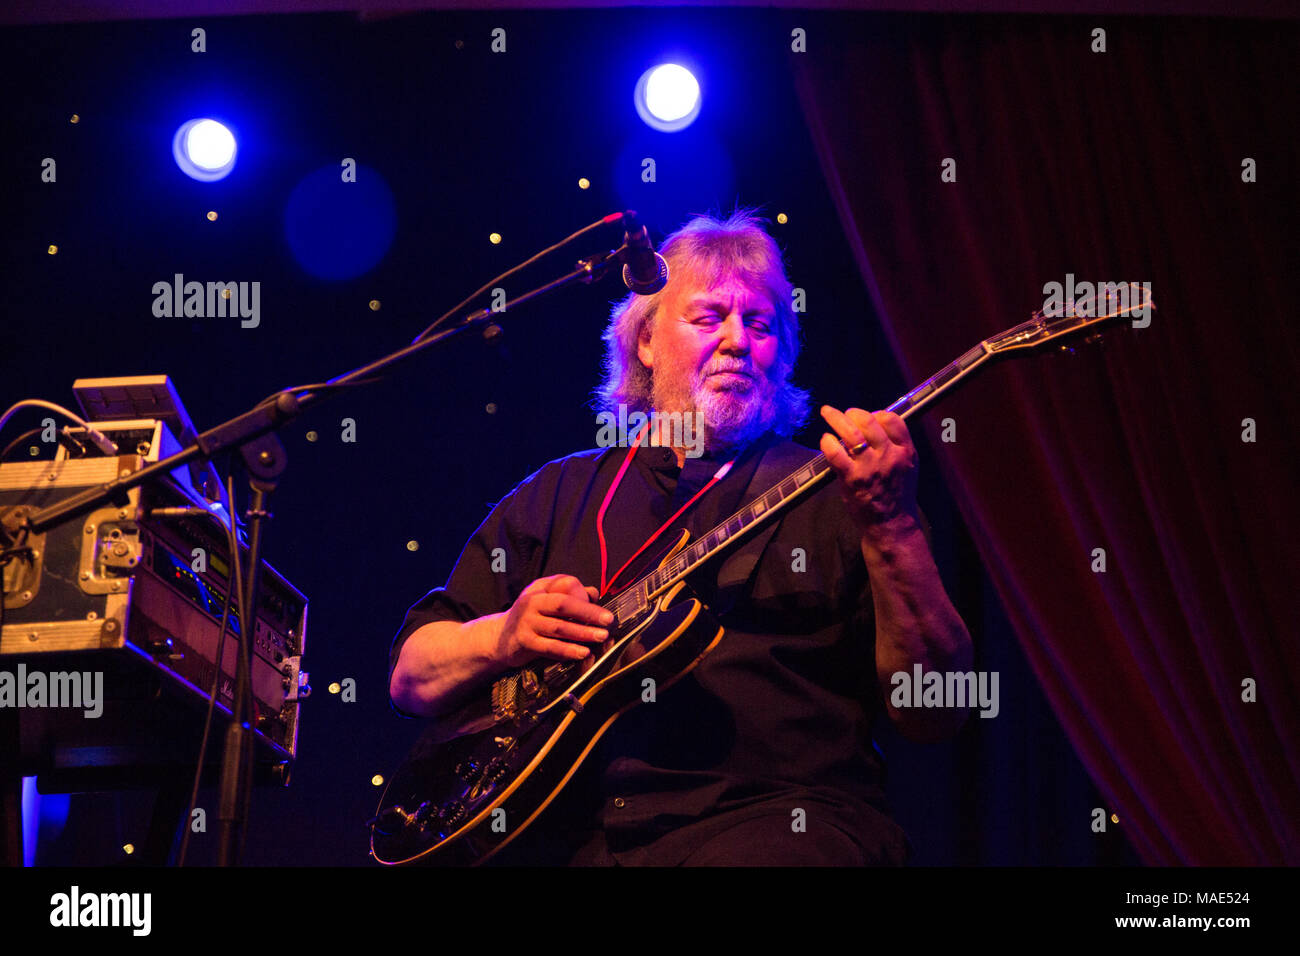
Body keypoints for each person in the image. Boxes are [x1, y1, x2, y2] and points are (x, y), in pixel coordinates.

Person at [387, 209, 973, 865]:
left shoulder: (844, 491)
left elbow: (936, 709)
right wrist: (501, 637)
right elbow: (412, 675)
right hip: (569, 837)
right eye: (708, 318)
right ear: (644, 343)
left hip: (775, 824)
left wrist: (892, 528)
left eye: (760, 324)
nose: (736, 341)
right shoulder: (557, 495)